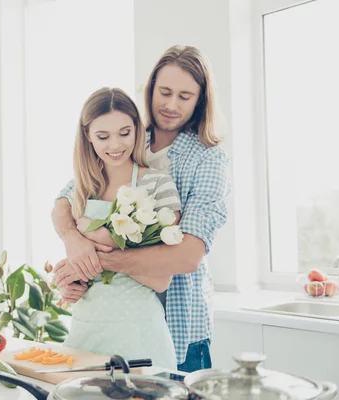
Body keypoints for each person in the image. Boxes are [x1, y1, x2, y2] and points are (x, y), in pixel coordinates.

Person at [52, 45, 231, 372]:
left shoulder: (207, 158)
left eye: (185, 96)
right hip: (101, 322)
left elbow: (188, 255)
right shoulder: (126, 134)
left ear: (201, 100)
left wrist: (94, 262)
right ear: (150, 90)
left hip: (178, 323)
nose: (171, 105)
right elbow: (66, 200)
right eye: (164, 92)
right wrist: (73, 242)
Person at [58, 86, 181, 369]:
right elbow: (74, 256)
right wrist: (71, 283)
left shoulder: (156, 185)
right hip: (84, 332)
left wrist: (90, 260)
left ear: (137, 130)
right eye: (103, 136)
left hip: (138, 332)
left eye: (125, 133)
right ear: (88, 136)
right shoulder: (81, 189)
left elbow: (161, 279)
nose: (115, 145)